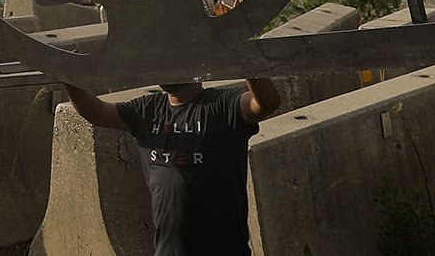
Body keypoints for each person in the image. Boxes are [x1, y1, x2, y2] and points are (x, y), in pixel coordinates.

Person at [65, 77, 280, 256]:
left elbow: (265, 103)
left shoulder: (223, 106)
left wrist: (245, 57)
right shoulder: (148, 110)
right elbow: (96, 112)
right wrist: (68, 74)